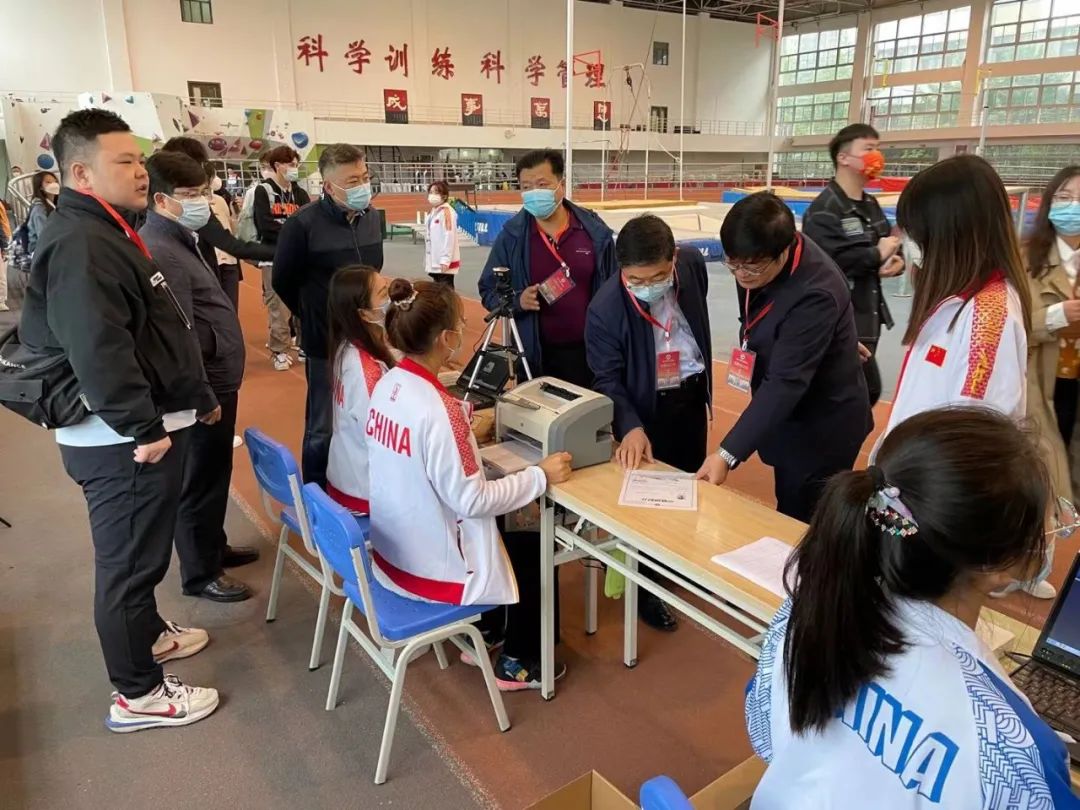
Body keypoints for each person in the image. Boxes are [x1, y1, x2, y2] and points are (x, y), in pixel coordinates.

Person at [745, 408, 1078, 808]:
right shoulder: (1017, 751)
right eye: (1051, 525)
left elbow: (764, 735)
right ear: (997, 566)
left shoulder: (808, 612)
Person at [19, 109, 218, 731]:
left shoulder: (106, 228)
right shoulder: (82, 243)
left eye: (139, 159)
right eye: (125, 162)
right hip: (120, 440)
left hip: (130, 428)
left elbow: (150, 329)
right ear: (81, 174)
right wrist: (145, 428)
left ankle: (148, 636)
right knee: (129, 564)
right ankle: (139, 694)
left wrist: (193, 395)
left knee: (142, 553)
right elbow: (98, 348)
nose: (140, 172)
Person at [368, 278, 574, 690]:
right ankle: (522, 662)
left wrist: (466, 440)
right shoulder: (441, 410)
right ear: (446, 339)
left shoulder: (387, 384)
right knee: (531, 543)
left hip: (392, 553)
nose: (464, 331)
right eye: (461, 324)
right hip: (428, 571)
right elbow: (473, 500)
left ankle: (487, 629)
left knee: (502, 530)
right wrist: (540, 475)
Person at [697, 192, 871, 522]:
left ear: (785, 250)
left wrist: (726, 454)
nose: (741, 274)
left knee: (801, 519)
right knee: (789, 499)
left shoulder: (815, 293)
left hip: (819, 428)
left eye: (751, 267)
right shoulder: (757, 257)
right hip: (790, 417)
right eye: (732, 264)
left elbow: (786, 382)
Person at [139, 151, 257, 603]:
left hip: (217, 376)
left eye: (204, 192)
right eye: (190, 194)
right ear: (161, 199)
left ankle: (213, 547)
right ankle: (200, 572)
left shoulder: (181, 238)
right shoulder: (162, 248)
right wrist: (202, 394)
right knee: (200, 478)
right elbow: (179, 332)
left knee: (214, 471)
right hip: (205, 386)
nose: (201, 202)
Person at [586, 214, 711, 631]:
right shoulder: (605, 309)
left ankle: (678, 566)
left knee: (690, 486)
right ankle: (646, 590)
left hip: (690, 396)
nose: (648, 286)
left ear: (673, 258)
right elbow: (606, 378)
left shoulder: (691, 265)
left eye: (657, 276)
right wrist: (630, 426)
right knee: (648, 506)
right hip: (645, 409)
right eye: (636, 280)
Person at [273, 143, 384, 489]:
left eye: (364, 177)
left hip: (367, 338)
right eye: (352, 181)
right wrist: (312, 315)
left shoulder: (373, 218)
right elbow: (283, 280)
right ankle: (316, 494)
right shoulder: (301, 225)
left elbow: (374, 272)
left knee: (366, 416)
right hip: (325, 342)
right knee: (322, 424)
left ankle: (357, 488)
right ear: (328, 185)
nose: (362, 186)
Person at [478, 149, 618, 387]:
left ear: (561, 184)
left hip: (590, 354)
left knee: (590, 410)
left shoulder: (594, 232)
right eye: (526, 187)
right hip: (535, 357)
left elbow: (615, 288)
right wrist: (517, 301)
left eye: (542, 184)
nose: (534, 192)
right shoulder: (512, 237)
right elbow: (488, 290)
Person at [802, 124, 902, 409]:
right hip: (840, 318)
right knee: (859, 393)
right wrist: (876, 254)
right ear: (843, 157)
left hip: (869, 317)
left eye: (877, 149)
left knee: (859, 395)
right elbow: (827, 263)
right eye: (868, 149)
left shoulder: (871, 204)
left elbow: (888, 243)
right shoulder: (824, 210)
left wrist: (893, 262)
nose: (876, 156)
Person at [158, 137, 275, 310]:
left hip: (208, 280)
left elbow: (230, 243)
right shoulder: (147, 223)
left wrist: (281, 252)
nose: (199, 172)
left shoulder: (199, 208)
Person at [1025, 165, 1080, 509]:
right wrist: (1057, 316)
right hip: (1040, 381)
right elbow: (1010, 325)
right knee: (1043, 466)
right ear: (1049, 203)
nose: (1073, 206)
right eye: (1065, 197)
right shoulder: (1025, 257)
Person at [325, 266, 394, 513]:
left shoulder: (344, 348)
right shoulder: (367, 371)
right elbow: (384, 441)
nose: (391, 301)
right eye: (384, 294)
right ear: (364, 314)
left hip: (344, 480)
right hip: (363, 496)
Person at [256, 145, 310, 371]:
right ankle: (279, 350)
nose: (294, 168)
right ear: (278, 166)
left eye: (296, 164)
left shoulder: (300, 193)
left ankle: (306, 344)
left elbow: (309, 221)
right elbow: (264, 224)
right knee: (278, 305)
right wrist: (291, 234)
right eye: (291, 164)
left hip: (300, 257)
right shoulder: (264, 191)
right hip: (274, 257)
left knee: (305, 302)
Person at [424, 180, 460, 287]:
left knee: (446, 292)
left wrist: (445, 260)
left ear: (444, 196)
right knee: (437, 291)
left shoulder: (447, 212)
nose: (432, 195)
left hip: (444, 263)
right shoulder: (432, 212)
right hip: (434, 260)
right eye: (431, 192)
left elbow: (449, 237)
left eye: (436, 192)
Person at [26, 170, 60, 254]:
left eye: (55, 181)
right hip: (41, 251)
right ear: (40, 187)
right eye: (48, 182)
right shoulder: (39, 209)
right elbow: (44, 236)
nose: (54, 184)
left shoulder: (55, 204)